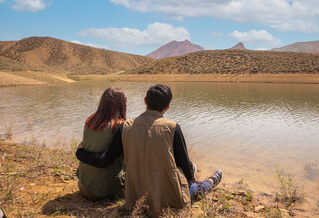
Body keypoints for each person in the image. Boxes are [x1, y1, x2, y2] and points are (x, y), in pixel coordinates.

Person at [76, 84, 222, 215]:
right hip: (164, 196)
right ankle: (210, 182)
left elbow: (106, 159)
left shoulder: (124, 127)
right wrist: (191, 178)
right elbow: (184, 163)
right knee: (193, 185)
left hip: (136, 194)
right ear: (168, 107)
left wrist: (80, 152)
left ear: (145, 101)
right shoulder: (173, 128)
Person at [76, 87, 127, 200]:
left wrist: (79, 151)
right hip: (105, 191)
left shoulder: (90, 121)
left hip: (84, 186)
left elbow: (83, 146)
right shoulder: (121, 126)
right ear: (122, 104)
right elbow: (105, 161)